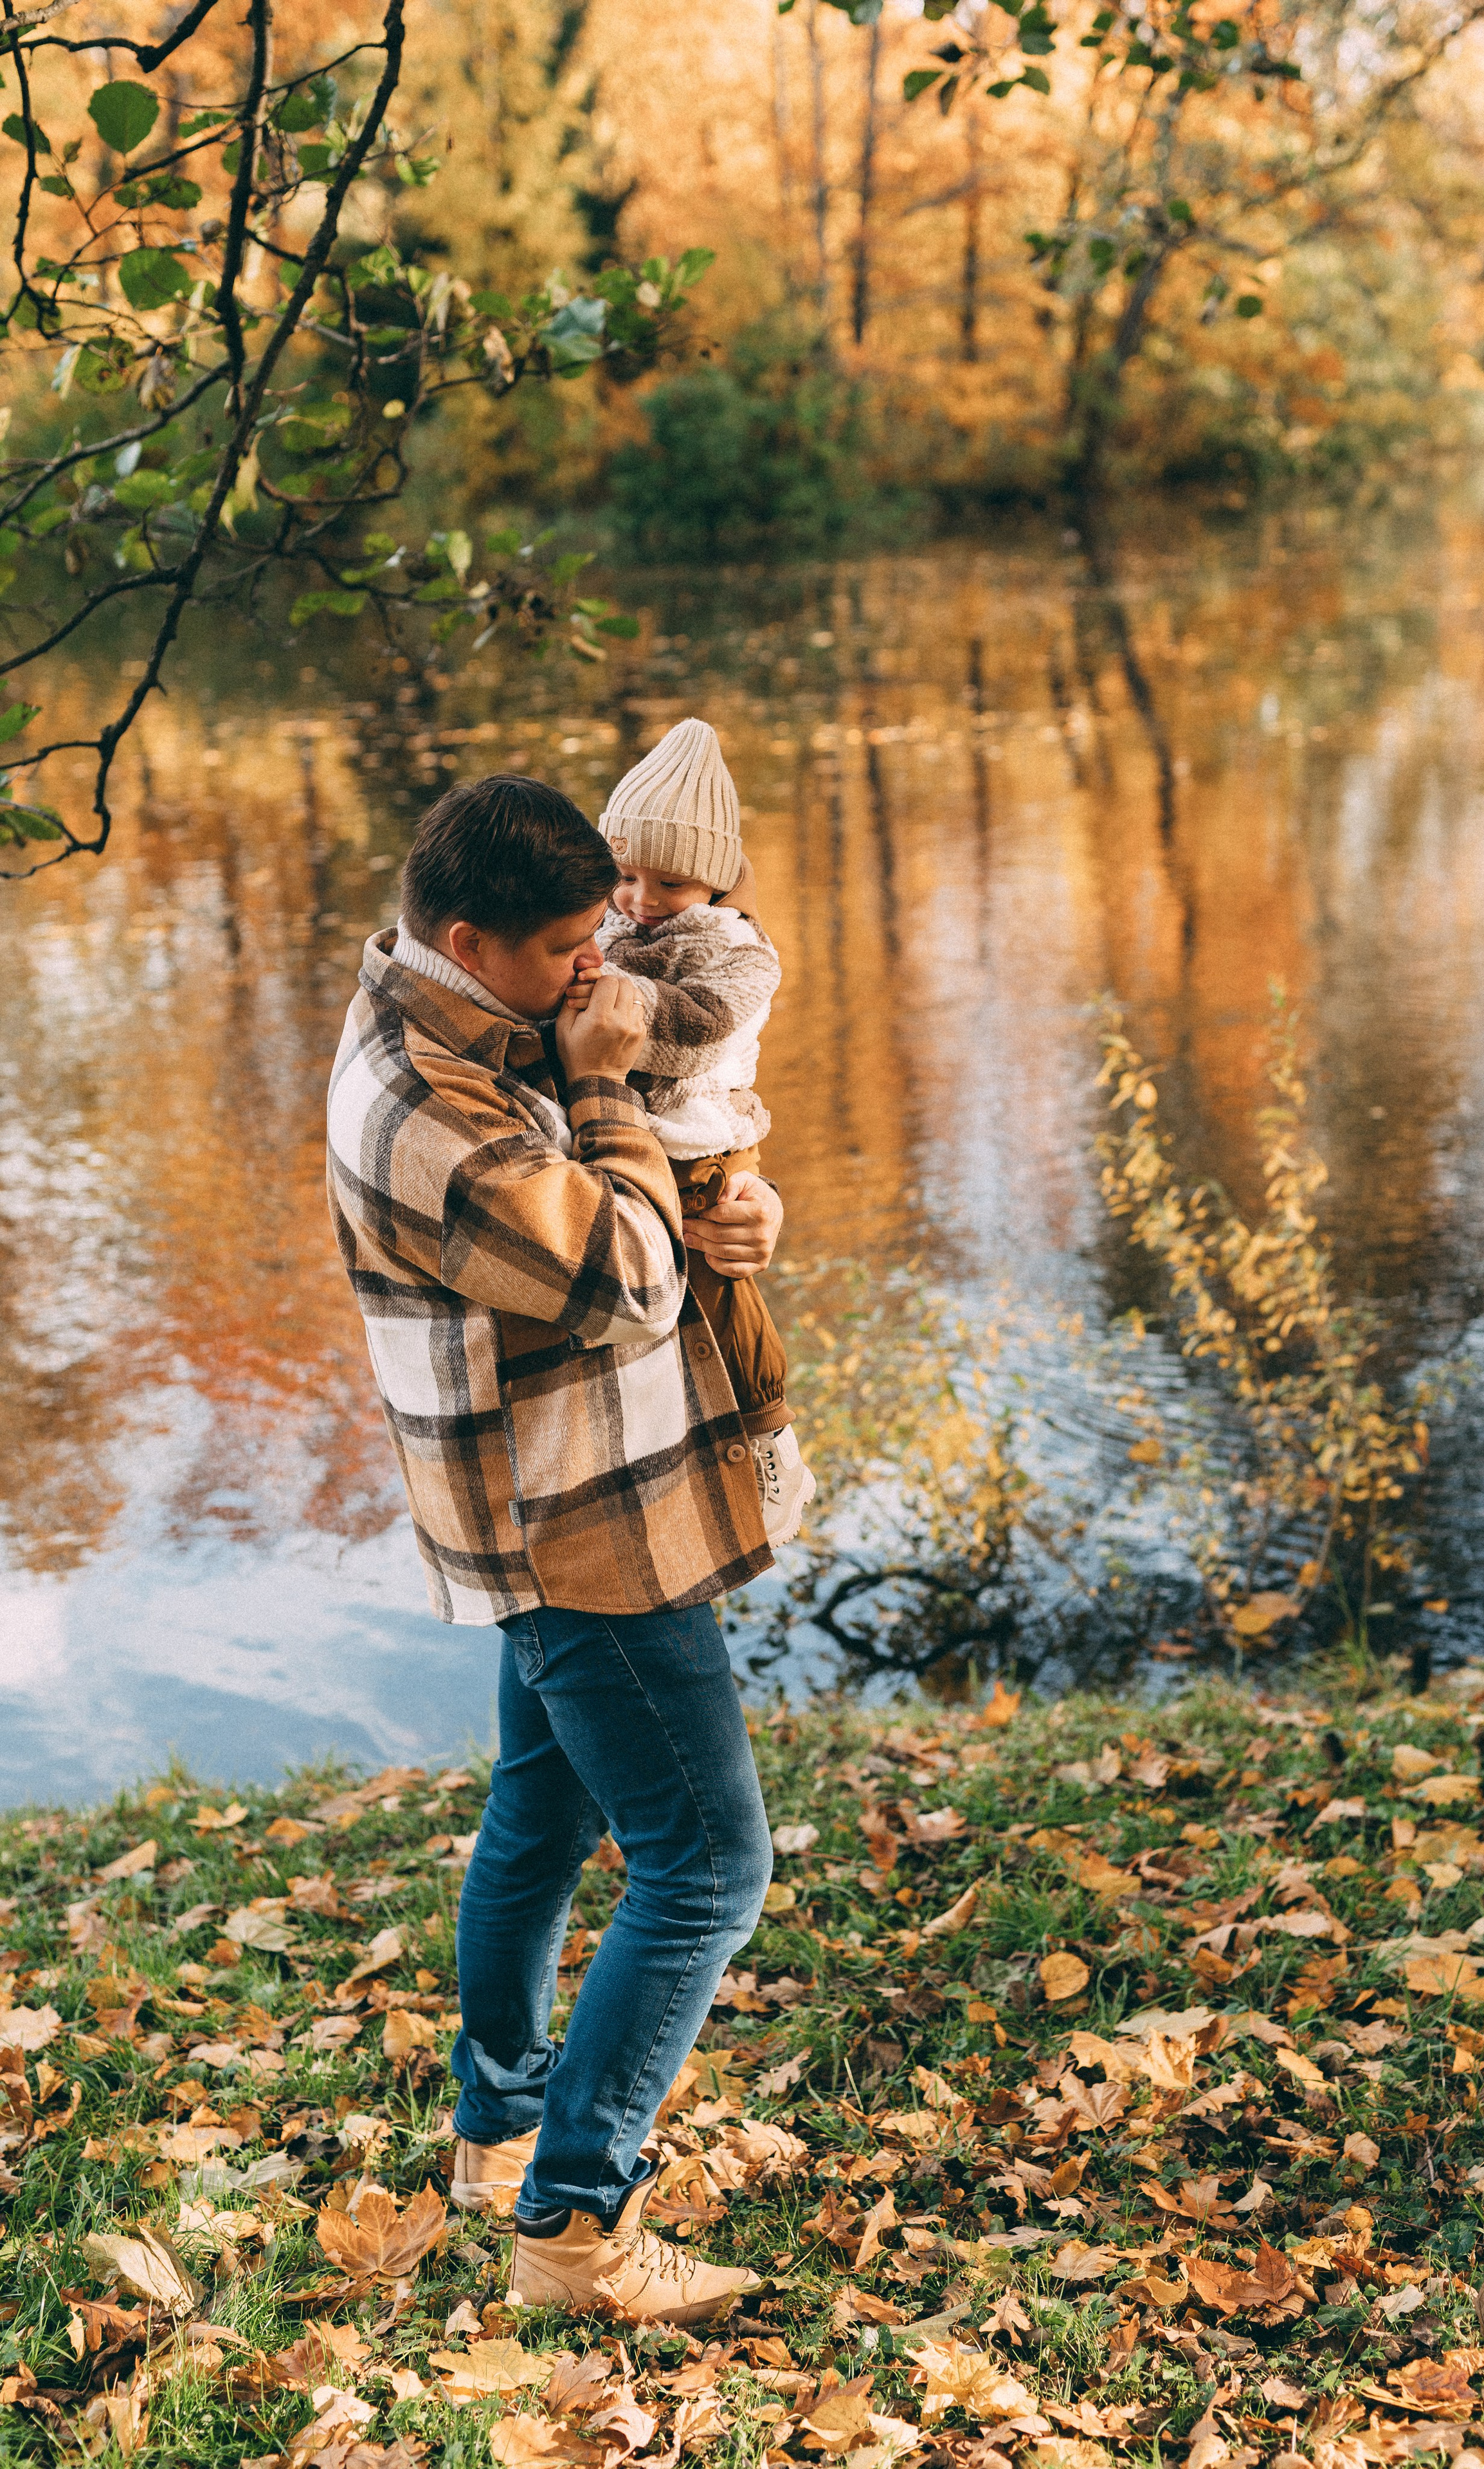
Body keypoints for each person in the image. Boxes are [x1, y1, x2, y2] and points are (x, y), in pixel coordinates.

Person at [325, 772, 783, 2324]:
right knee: (709, 1865)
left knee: (540, 1815)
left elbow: (660, 1187)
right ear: (473, 934)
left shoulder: (452, 1002)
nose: (602, 969)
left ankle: (499, 2132)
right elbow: (628, 1280)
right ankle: (575, 2229)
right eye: (574, 945)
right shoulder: (427, 1118)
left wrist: (734, 1197)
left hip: (569, 1487)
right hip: (580, 1521)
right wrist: (608, 1099)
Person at [574, 715, 815, 1546]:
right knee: (666, 1307)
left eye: (669, 885)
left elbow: (697, 1030)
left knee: (715, 1289)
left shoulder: (740, 953)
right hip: (650, 1147)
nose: (640, 902)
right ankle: (694, 1449)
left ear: (712, 884)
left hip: (705, 1146)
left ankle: (769, 1439)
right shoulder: (609, 929)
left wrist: (610, 1004)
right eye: (625, 876)